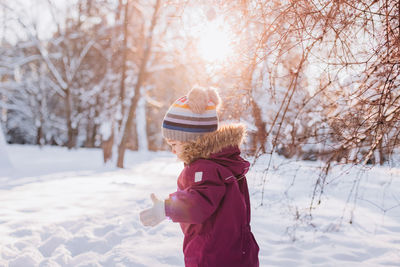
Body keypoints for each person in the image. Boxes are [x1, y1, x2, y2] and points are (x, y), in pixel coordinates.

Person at [139, 86, 259, 267]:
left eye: (174, 143)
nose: (172, 149)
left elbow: (198, 202)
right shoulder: (220, 163)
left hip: (213, 256)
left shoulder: (205, 168)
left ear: (192, 141)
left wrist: (166, 208)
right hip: (231, 251)